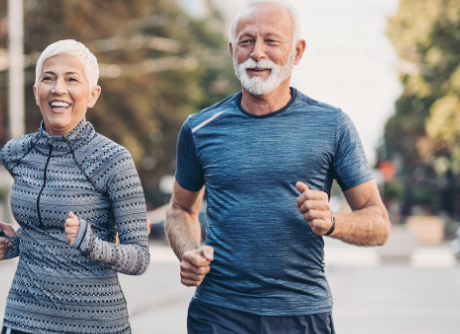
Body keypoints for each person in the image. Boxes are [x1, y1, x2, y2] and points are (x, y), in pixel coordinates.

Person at [165, 1, 391, 333]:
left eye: (272, 41)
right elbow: (179, 209)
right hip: (218, 313)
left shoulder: (333, 125)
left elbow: (379, 223)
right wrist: (190, 252)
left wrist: (332, 222)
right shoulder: (199, 129)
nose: (257, 53)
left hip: (301, 314)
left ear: (297, 52)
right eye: (246, 41)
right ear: (232, 50)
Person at [0, 39, 150, 334]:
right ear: (37, 92)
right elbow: (46, 233)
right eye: (48, 78)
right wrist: (14, 243)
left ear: (92, 94)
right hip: (24, 321)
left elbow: (139, 258)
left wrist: (92, 245)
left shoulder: (113, 160)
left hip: (96, 325)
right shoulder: (16, 153)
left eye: (71, 79)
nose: (58, 88)